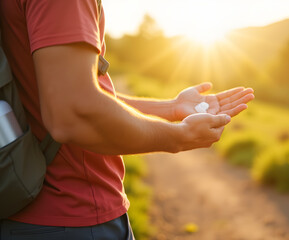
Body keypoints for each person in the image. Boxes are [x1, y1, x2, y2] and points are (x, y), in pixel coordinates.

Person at [0, 0, 254, 239]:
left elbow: (71, 93)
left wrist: (171, 109)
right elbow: (73, 113)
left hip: (16, 203)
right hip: (73, 216)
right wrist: (178, 137)